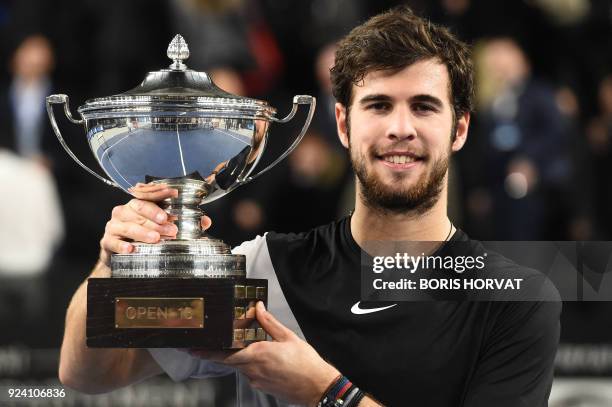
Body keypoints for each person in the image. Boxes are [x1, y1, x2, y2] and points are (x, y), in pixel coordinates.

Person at [58, 6, 560, 406]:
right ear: (343, 125)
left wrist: (327, 393)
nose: (400, 129)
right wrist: (112, 266)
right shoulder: (263, 271)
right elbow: (88, 374)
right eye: (379, 104)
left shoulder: (516, 299)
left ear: (461, 128)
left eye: (424, 106)